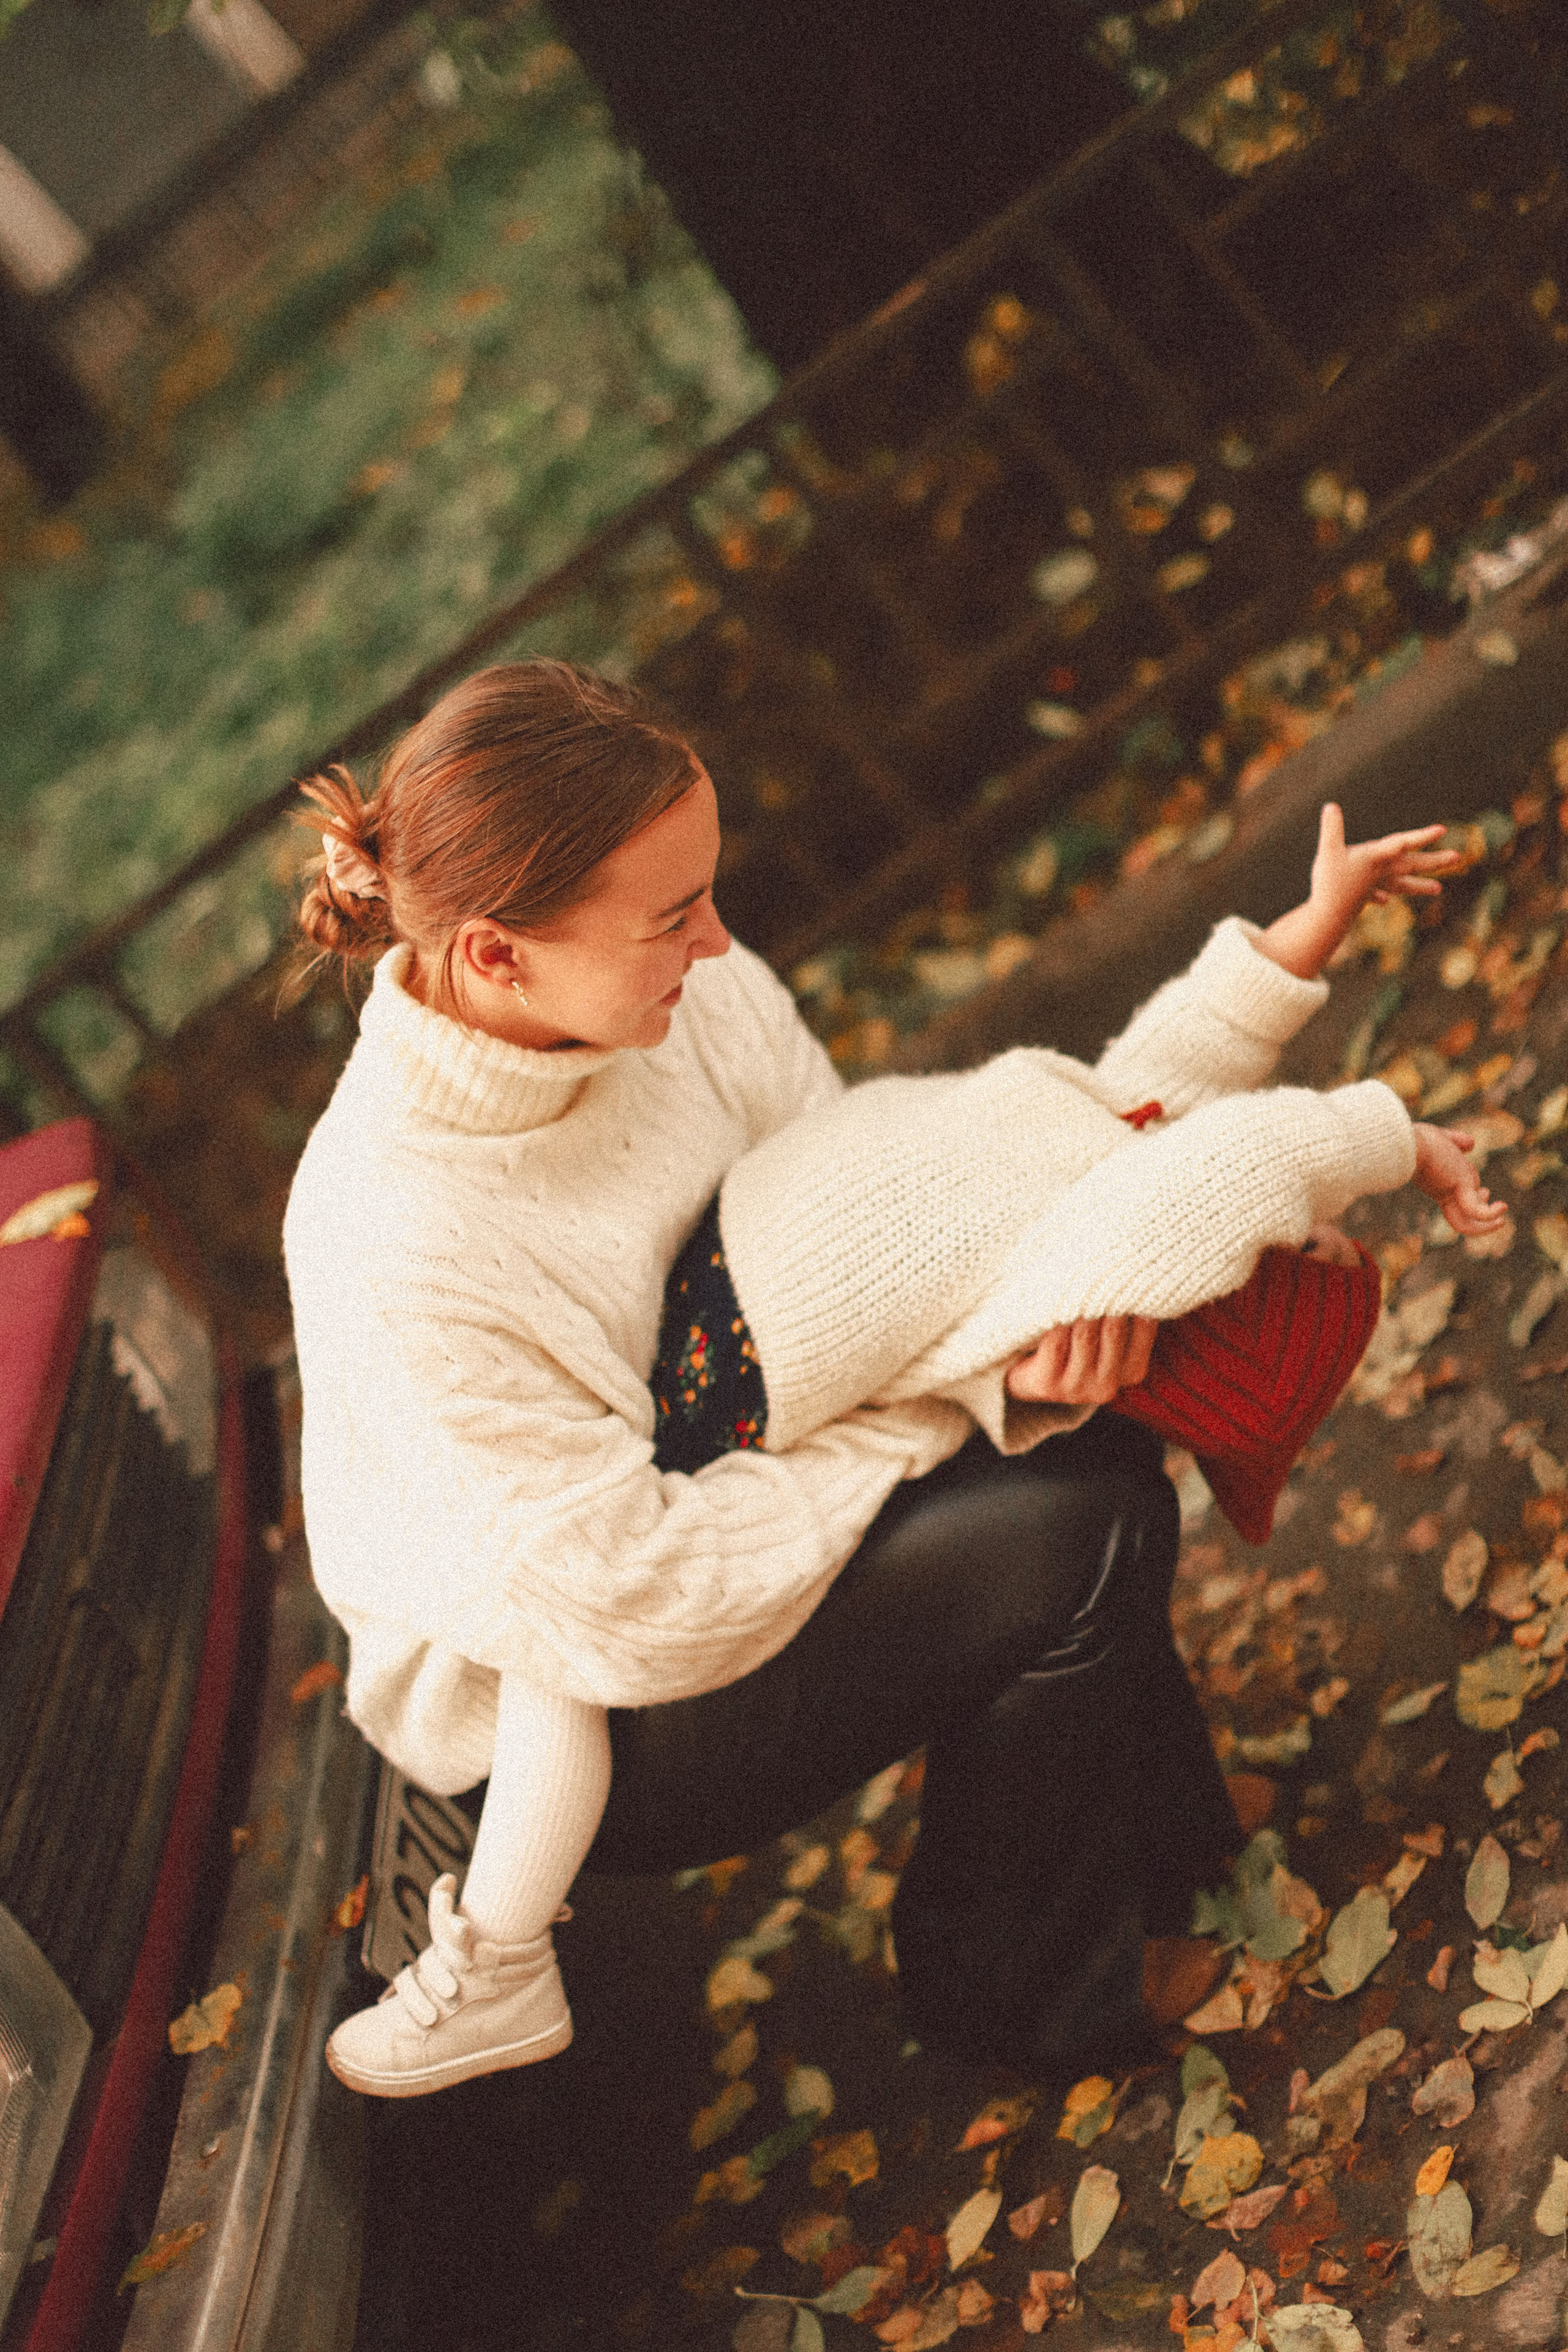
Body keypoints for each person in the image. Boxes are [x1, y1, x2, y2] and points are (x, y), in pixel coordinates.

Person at [282, 658, 1500, 2101]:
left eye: (707, 890)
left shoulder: (687, 992)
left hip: (724, 1454)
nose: (720, 942)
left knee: (1092, 1426)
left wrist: (1012, 1335)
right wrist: (946, 1409)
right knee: (1069, 1524)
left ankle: (1160, 1832)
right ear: (495, 956)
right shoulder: (398, 1237)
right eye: (670, 917)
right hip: (573, 1704)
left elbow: (835, 1183)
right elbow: (631, 1600)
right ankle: (1016, 1988)